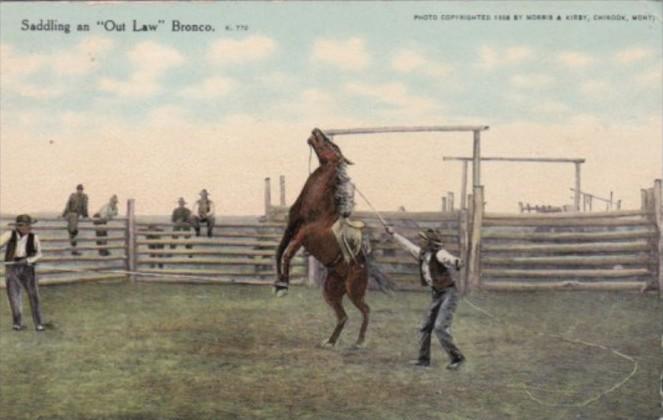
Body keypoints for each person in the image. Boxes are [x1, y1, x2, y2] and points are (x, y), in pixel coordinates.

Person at [385, 226, 465, 370]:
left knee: (440, 327)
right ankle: (423, 360)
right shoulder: (422, 254)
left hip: (448, 293)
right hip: (437, 294)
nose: (419, 241)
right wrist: (393, 234)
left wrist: (456, 261)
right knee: (425, 327)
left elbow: (449, 258)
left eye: (422, 239)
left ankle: (457, 358)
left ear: (430, 242)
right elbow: (407, 245)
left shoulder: (439, 253)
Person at [0, 214, 45, 331]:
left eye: (29, 225)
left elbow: (40, 254)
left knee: (33, 295)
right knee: (14, 296)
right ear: (19, 226)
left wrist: (28, 260)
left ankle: (39, 324)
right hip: (12, 268)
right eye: (26, 225)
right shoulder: (9, 235)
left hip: (27, 268)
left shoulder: (34, 237)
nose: (29, 228)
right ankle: (17, 323)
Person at [62, 184, 89, 255]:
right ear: (77, 190)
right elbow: (67, 205)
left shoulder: (84, 197)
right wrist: (63, 214)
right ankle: (74, 249)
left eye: (81, 190)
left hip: (77, 215)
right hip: (71, 214)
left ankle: (74, 250)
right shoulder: (72, 196)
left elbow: (85, 207)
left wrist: (85, 215)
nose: (80, 191)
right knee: (73, 231)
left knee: (73, 232)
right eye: (79, 189)